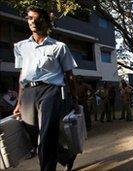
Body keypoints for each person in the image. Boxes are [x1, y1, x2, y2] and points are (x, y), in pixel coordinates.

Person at [13, 6, 79, 171]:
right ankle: (66, 156)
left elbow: (70, 75)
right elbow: (22, 74)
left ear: (47, 22)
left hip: (50, 91)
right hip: (28, 92)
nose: (33, 21)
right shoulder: (20, 47)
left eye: (38, 18)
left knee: (47, 135)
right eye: (30, 18)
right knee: (33, 133)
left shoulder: (59, 47)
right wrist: (19, 102)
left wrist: (75, 98)